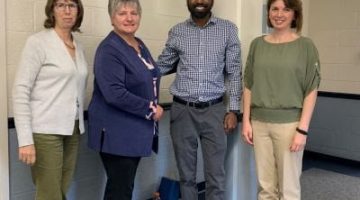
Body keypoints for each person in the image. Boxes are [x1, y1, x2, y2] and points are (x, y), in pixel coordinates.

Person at [157, 0, 242, 199]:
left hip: (215, 111)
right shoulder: (177, 31)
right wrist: (135, 63)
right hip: (182, 111)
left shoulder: (227, 30)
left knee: (216, 177)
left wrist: (233, 110)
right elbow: (161, 66)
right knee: (186, 177)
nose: (200, 1)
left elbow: (234, 72)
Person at [242, 0, 321, 199]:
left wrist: (302, 130)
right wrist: (246, 122)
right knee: (265, 187)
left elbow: (311, 89)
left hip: (290, 126)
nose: (279, 14)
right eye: (275, 8)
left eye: (286, 9)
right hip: (259, 124)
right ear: (268, 12)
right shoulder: (257, 44)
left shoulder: (305, 46)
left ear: (295, 14)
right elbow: (248, 84)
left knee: (289, 188)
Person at [87, 0, 163, 199]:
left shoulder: (139, 44)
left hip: (134, 131)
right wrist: (150, 108)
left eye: (134, 13)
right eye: (122, 13)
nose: (129, 18)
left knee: (124, 187)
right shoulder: (109, 49)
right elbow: (114, 93)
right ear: (112, 18)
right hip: (116, 133)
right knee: (120, 190)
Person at [12, 0, 87, 199]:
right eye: (61, 5)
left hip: (73, 129)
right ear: (52, 10)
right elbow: (20, 90)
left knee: (61, 189)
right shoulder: (38, 42)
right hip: (45, 131)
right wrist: (25, 140)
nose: (67, 11)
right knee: (49, 193)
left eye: (72, 5)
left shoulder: (78, 47)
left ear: (78, 11)